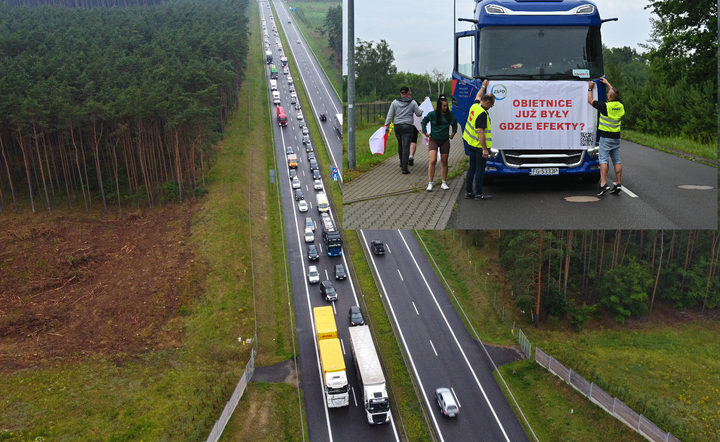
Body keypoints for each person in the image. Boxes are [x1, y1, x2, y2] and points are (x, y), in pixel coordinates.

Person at [588, 78, 625, 196]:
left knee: (603, 160)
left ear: (609, 97)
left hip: (606, 138)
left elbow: (590, 100)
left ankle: (603, 184)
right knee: (617, 160)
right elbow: (615, 93)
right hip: (616, 138)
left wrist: (590, 88)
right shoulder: (620, 105)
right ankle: (618, 183)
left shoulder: (605, 107)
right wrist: (608, 83)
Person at [463, 80, 493, 200]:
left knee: (472, 168)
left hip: (470, 143)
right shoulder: (482, 114)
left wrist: (483, 86)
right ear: (487, 102)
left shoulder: (475, 105)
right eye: (492, 104)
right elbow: (481, 132)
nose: (492, 106)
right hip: (478, 146)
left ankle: (468, 192)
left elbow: (478, 96)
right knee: (480, 170)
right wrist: (485, 150)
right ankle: (479, 193)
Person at [421, 94, 458, 191]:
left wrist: (454, 132)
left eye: (447, 106)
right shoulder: (433, 114)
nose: (446, 108)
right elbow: (424, 121)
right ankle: (430, 183)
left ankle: (444, 182)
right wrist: (425, 132)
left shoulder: (450, 115)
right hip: (434, 140)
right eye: (444, 106)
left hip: (445, 140)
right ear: (439, 106)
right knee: (432, 160)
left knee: (444, 161)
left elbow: (455, 123)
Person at [385, 86, 423, 174]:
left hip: (397, 125)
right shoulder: (413, 102)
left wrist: (386, 126)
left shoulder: (395, 102)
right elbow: (418, 114)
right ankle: (404, 168)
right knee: (406, 146)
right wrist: (421, 111)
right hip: (408, 126)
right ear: (408, 93)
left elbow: (390, 115)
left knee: (400, 144)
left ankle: (401, 163)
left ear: (400, 93)